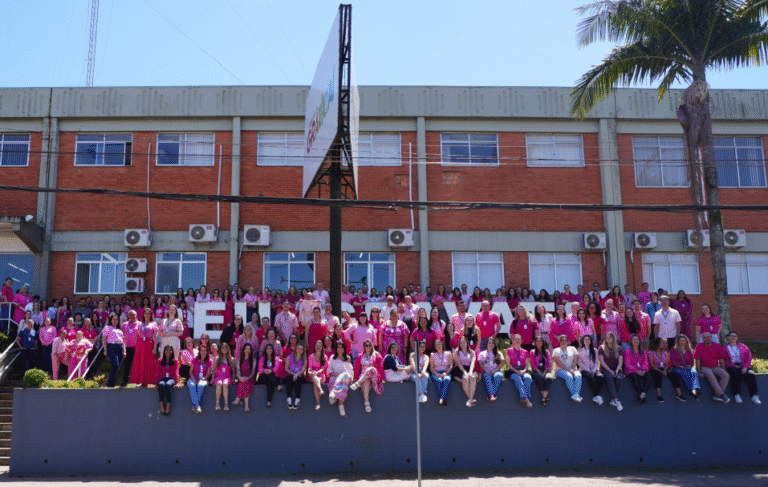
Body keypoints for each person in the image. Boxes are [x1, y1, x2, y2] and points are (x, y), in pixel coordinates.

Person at [723, 331, 761, 404]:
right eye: (731, 336)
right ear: (728, 337)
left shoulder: (743, 346)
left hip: (743, 365)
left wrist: (745, 367)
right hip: (732, 366)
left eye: (734, 336)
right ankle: (737, 394)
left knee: (750, 374)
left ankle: (754, 396)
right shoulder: (725, 348)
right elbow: (725, 360)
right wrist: (734, 366)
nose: (733, 337)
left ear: (737, 338)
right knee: (736, 375)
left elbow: (749, 357)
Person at [694, 331, 730, 403]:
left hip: (715, 367)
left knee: (726, 375)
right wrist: (698, 372)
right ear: (702, 338)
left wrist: (724, 369)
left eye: (708, 337)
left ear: (711, 337)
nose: (707, 338)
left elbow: (721, 359)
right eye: (705, 337)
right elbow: (697, 360)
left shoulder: (717, 346)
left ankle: (717, 395)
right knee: (710, 374)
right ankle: (722, 395)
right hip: (704, 367)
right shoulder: (699, 346)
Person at [350, 339, 384, 413]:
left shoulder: (376, 355)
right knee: (366, 381)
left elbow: (381, 366)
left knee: (371, 369)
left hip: (374, 374)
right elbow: (356, 368)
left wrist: (383, 378)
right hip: (364, 376)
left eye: (369, 345)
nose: (368, 347)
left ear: (372, 346)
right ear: (364, 347)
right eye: (366, 345)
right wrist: (355, 378)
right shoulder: (360, 356)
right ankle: (366, 402)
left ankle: (358, 383)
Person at [130, 309, 158, 387]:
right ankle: (140, 381)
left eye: (149, 313)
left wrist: (155, 347)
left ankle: (149, 381)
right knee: (140, 362)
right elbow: (138, 335)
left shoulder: (154, 324)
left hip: (149, 344)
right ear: (143, 314)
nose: (147, 315)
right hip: (141, 344)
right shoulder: (140, 324)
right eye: (146, 313)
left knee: (148, 362)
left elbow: (156, 336)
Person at [669, 334, 701, 401]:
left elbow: (692, 362)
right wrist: (680, 366)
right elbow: (673, 360)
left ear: (686, 342)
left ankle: (696, 389)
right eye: (681, 341)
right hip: (677, 367)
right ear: (678, 342)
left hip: (687, 367)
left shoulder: (689, 350)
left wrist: (690, 366)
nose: (682, 342)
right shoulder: (674, 349)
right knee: (685, 373)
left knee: (694, 372)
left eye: (684, 341)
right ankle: (691, 390)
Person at [505, 334, 533, 408]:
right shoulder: (509, 350)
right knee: (517, 378)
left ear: (521, 341)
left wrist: (523, 371)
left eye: (519, 339)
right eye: (516, 339)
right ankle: (526, 399)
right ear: (513, 341)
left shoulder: (525, 351)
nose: (517, 341)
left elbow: (527, 364)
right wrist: (516, 371)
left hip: (522, 370)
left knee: (528, 378)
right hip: (513, 370)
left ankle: (524, 397)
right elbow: (508, 364)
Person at [327, 342, 354, 416]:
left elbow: (349, 371)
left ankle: (335, 396)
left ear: (344, 349)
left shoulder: (348, 358)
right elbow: (329, 370)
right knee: (336, 380)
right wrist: (335, 374)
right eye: (338, 347)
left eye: (341, 347)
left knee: (344, 376)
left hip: (345, 378)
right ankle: (340, 405)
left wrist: (340, 375)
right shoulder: (332, 357)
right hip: (334, 377)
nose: (339, 349)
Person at [598, 332, 624, 410]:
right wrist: (610, 371)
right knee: (609, 377)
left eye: (610, 337)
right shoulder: (601, 348)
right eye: (606, 337)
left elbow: (620, 362)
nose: (608, 339)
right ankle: (616, 399)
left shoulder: (619, 348)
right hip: (605, 369)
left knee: (619, 378)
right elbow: (602, 362)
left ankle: (613, 400)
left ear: (613, 338)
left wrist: (616, 371)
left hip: (616, 369)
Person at [451, 335, 478, 407]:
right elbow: (458, 364)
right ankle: (471, 399)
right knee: (465, 378)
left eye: (464, 342)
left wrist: (470, 372)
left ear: (467, 343)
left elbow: (472, 363)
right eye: (461, 343)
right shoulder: (456, 352)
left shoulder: (472, 352)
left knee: (472, 377)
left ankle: (470, 400)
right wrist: (465, 372)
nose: (462, 344)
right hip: (459, 369)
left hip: (469, 368)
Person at [624, 334, 651, 403]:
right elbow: (627, 365)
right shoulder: (627, 351)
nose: (635, 341)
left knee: (649, 377)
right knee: (635, 377)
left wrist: (644, 371)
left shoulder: (643, 351)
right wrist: (636, 371)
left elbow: (646, 363)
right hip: (631, 371)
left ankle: (642, 395)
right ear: (631, 341)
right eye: (633, 340)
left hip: (642, 370)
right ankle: (641, 394)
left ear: (639, 341)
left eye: (637, 339)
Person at [578, 335, 604, 405]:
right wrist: (587, 370)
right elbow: (579, 362)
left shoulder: (595, 350)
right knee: (590, 376)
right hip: (584, 370)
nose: (587, 341)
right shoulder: (580, 350)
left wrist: (594, 370)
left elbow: (596, 362)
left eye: (588, 339)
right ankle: (597, 395)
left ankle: (596, 396)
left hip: (593, 369)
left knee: (600, 377)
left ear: (591, 341)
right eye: (585, 340)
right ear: (583, 341)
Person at [256, 343, 284, 408]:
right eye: (267, 348)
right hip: (263, 378)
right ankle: (277, 386)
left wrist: (270, 370)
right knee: (268, 375)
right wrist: (265, 370)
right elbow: (259, 369)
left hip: (272, 378)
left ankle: (269, 401)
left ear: (273, 350)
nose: (269, 350)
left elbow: (276, 369)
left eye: (270, 348)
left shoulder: (276, 358)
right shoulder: (262, 358)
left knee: (270, 380)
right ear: (265, 350)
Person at [102, 315, 125, 388]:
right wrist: (105, 349)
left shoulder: (120, 330)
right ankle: (110, 384)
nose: (115, 321)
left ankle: (112, 383)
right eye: (113, 319)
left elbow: (123, 341)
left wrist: (124, 351)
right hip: (111, 346)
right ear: (111, 320)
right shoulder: (107, 327)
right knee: (115, 365)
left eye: (117, 319)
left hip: (120, 347)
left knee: (116, 366)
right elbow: (104, 339)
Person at [188, 343, 212, 413]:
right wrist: (194, 379)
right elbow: (190, 372)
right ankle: (197, 405)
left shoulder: (209, 361)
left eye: (205, 350)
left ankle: (194, 404)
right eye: (202, 350)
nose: (203, 352)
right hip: (193, 378)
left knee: (200, 385)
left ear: (207, 352)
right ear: (199, 352)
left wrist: (203, 379)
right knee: (192, 385)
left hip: (203, 379)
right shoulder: (194, 360)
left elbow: (208, 374)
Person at [232, 342, 256, 412]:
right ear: (243, 350)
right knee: (243, 382)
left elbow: (253, 372)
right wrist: (240, 377)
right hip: (241, 378)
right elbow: (238, 371)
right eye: (246, 349)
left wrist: (248, 378)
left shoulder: (253, 360)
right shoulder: (239, 360)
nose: (247, 351)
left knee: (246, 383)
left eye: (249, 349)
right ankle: (246, 406)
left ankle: (238, 399)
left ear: (251, 351)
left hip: (250, 378)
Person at [156, 345, 179, 416]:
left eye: (170, 350)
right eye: (167, 350)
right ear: (164, 351)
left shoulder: (175, 360)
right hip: (163, 378)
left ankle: (168, 404)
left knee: (168, 385)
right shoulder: (160, 360)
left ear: (172, 352)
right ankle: (161, 404)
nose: (168, 352)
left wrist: (176, 383)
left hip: (171, 379)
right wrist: (156, 383)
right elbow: (158, 372)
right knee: (161, 385)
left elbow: (176, 372)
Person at [529, 336, 553, 405]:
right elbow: (532, 363)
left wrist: (545, 371)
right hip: (537, 370)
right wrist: (539, 372)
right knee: (538, 378)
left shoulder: (547, 352)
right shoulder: (532, 352)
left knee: (549, 378)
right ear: (535, 343)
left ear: (543, 343)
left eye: (540, 341)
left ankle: (543, 398)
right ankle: (545, 397)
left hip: (545, 370)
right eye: (537, 341)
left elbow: (549, 363)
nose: (539, 342)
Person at [429, 338, 453, 406]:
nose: (438, 346)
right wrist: (437, 374)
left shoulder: (448, 353)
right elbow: (431, 368)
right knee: (439, 380)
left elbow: (451, 366)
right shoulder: (432, 355)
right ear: (434, 347)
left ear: (442, 344)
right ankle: (443, 398)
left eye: (439, 344)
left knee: (447, 379)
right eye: (436, 345)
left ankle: (441, 398)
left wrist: (446, 373)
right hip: (436, 372)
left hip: (446, 372)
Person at [647, 337, 671, 403]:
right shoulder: (651, 352)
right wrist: (661, 371)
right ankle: (659, 394)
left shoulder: (665, 353)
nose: (663, 344)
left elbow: (667, 364)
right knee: (658, 375)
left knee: (673, 373)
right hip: (654, 369)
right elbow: (652, 365)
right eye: (661, 342)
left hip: (663, 369)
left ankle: (679, 393)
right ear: (657, 343)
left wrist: (665, 371)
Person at [285, 342, 307, 410]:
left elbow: (303, 369)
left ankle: (297, 399)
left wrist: (297, 374)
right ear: (295, 349)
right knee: (290, 378)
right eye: (298, 348)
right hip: (291, 375)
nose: (299, 350)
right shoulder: (289, 357)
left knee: (298, 379)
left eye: (301, 349)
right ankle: (289, 398)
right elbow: (286, 369)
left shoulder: (304, 359)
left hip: (300, 376)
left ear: (303, 351)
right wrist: (293, 374)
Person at [307, 340, 328, 410]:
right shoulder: (311, 356)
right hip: (312, 374)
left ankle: (318, 402)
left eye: (320, 346)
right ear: (315, 347)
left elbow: (323, 368)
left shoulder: (324, 356)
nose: (318, 347)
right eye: (317, 346)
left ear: (322, 347)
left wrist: (317, 372)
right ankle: (320, 389)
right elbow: (309, 368)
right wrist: (310, 372)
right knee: (313, 375)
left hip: (320, 375)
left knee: (315, 382)